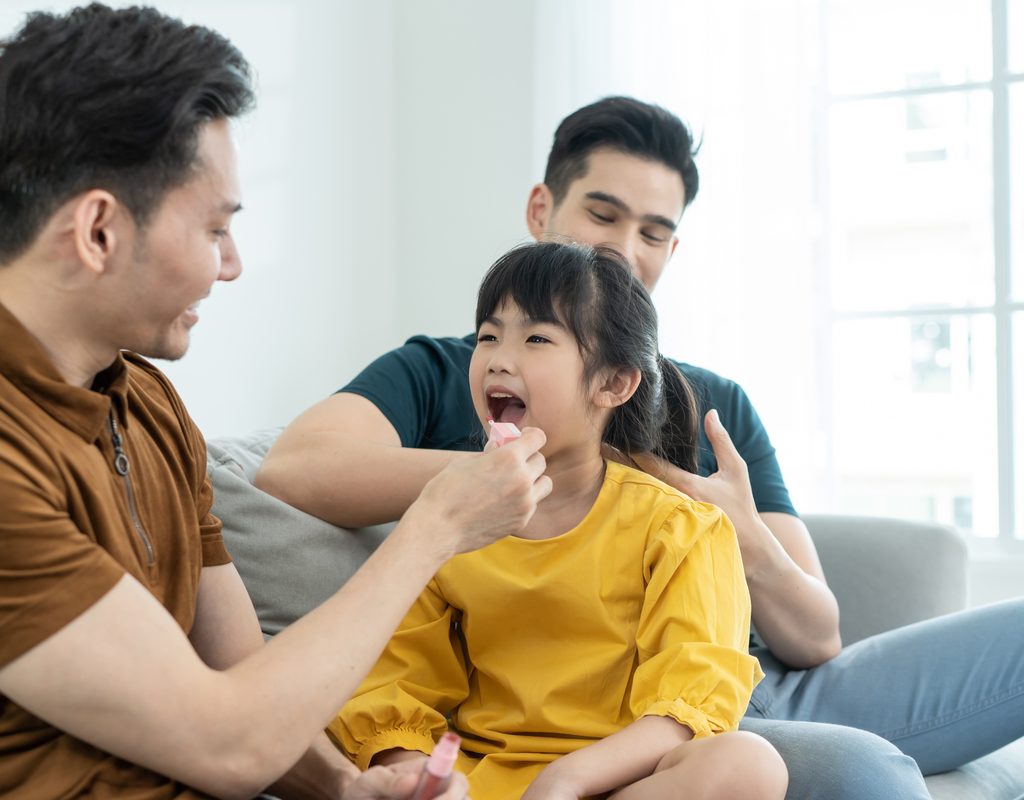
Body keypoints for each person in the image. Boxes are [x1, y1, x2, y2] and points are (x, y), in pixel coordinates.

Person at [258, 96, 1024, 799]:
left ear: (616, 383)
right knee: (863, 773)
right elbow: (295, 470)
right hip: (563, 722)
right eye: (604, 214)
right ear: (541, 208)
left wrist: (731, 527)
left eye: (653, 232)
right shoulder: (442, 378)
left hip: (728, 688)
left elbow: (818, 635)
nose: (626, 247)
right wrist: (509, 481)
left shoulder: (711, 406)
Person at [0, 5, 552, 798]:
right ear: (97, 231)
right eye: (216, 229)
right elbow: (229, 743)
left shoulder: (147, 402)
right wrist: (436, 525)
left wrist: (345, 788)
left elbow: (244, 678)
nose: (232, 265)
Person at [330, 242, 788, 800]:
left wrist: (565, 780)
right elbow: (396, 683)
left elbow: (692, 704)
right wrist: (412, 770)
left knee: (751, 764)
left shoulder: (681, 527)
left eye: (537, 339)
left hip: (622, 782)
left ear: (613, 384)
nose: (499, 357)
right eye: (488, 337)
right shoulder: (451, 518)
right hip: (479, 785)